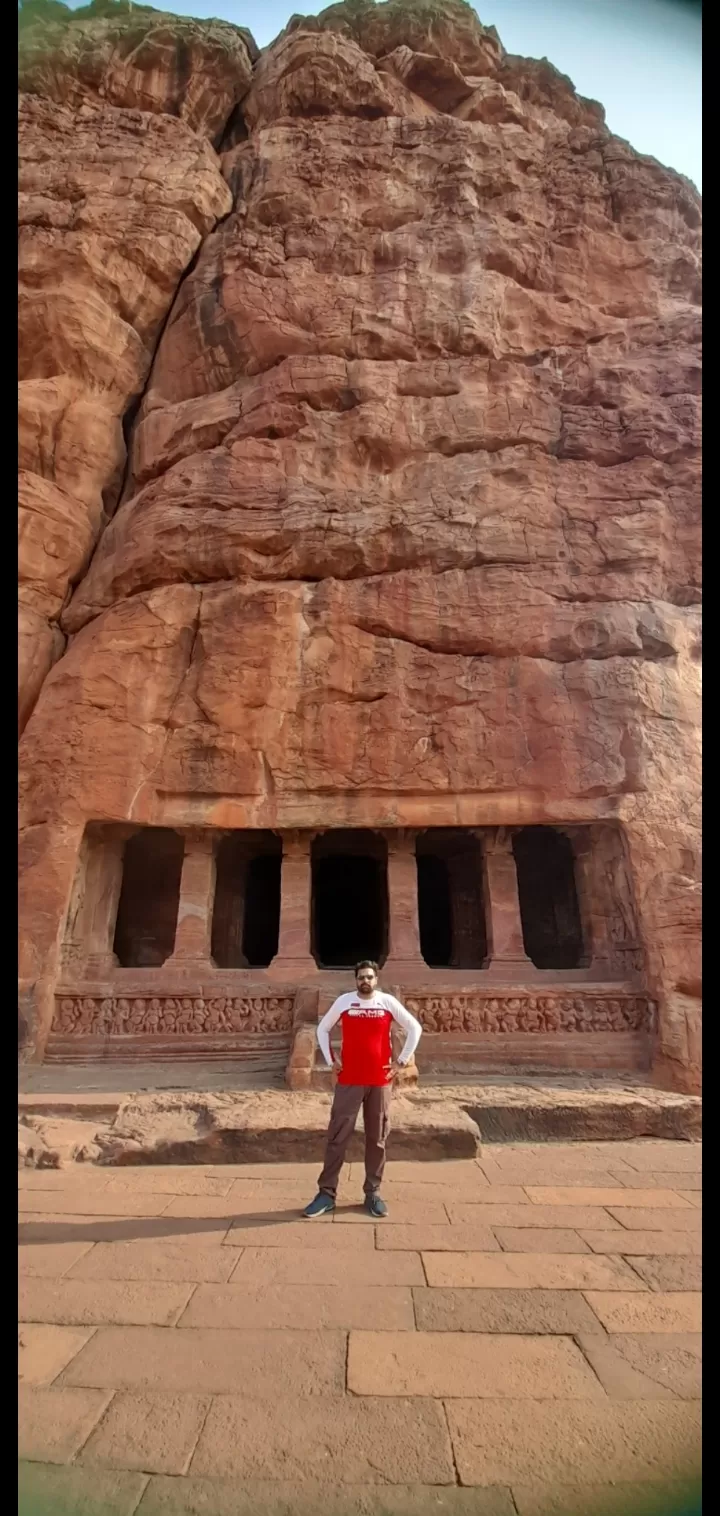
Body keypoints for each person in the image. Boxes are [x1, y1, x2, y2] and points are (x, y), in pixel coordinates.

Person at [302, 960, 422, 1219]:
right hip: (349, 1079)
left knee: (376, 1138)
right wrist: (331, 1060)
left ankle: (373, 1192)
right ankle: (326, 1194)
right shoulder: (345, 1002)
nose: (365, 981)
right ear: (356, 980)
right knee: (337, 1136)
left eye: (369, 977)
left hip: (379, 1080)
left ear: (376, 979)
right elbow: (323, 1029)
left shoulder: (386, 1002)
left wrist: (401, 1061)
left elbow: (414, 1028)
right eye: (361, 978)